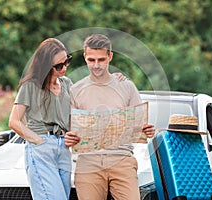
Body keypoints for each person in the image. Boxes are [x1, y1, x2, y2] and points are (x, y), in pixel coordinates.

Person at [65, 34, 155, 200]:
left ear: (110, 57)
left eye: (101, 60)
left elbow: (139, 124)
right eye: (91, 60)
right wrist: (69, 137)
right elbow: (70, 130)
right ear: (85, 57)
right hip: (88, 163)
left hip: (122, 159)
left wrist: (146, 129)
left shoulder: (126, 87)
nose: (96, 65)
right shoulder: (76, 90)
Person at [8, 38, 73, 200]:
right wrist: (39, 141)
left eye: (67, 62)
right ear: (45, 65)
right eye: (59, 65)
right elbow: (14, 121)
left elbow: (76, 117)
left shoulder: (67, 84)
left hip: (64, 148)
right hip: (41, 148)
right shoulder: (30, 86)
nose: (64, 68)